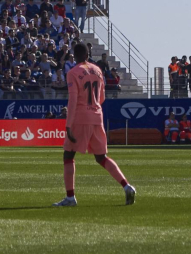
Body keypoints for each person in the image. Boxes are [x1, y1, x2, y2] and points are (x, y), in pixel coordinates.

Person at [55, 41, 135, 208]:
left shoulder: (73, 72)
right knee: (102, 157)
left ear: (74, 56)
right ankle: (127, 185)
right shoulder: (98, 70)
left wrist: (68, 124)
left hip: (81, 117)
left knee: (68, 155)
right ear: (87, 55)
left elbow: (73, 99)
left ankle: (70, 197)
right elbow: (102, 98)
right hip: (97, 116)